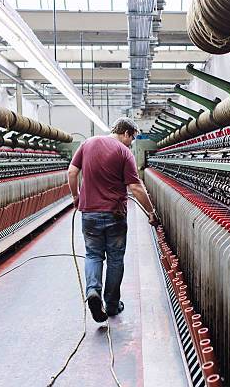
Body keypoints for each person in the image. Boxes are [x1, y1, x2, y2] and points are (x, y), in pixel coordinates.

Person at [67, 117, 159, 323]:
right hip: (114, 215)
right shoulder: (124, 153)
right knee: (115, 260)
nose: (132, 143)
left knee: (93, 255)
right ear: (126, 133)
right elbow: (135, 187)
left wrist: (76, 196)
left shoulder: (87, 143)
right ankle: (111, 304)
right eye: (132, 138)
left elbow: (72, 172)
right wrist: (151, 212)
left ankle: (93, 291)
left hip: (89, 213)